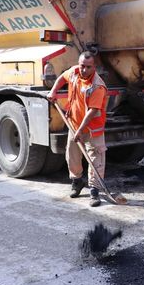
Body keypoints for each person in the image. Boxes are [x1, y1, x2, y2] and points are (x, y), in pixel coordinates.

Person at [47, 52, 108, 207]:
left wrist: (80, 130)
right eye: (82, 66)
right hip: (74, 124)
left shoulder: (97, 86)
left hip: (92, 129)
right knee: (72, 156)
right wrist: (54, 91)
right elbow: (62, 78)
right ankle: (77, 182)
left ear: (94, 67)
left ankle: (94, 191)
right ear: (78, 64)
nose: (84, 70)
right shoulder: (74, 72)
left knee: (95, 160)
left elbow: (92, 111)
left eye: (88, 67)